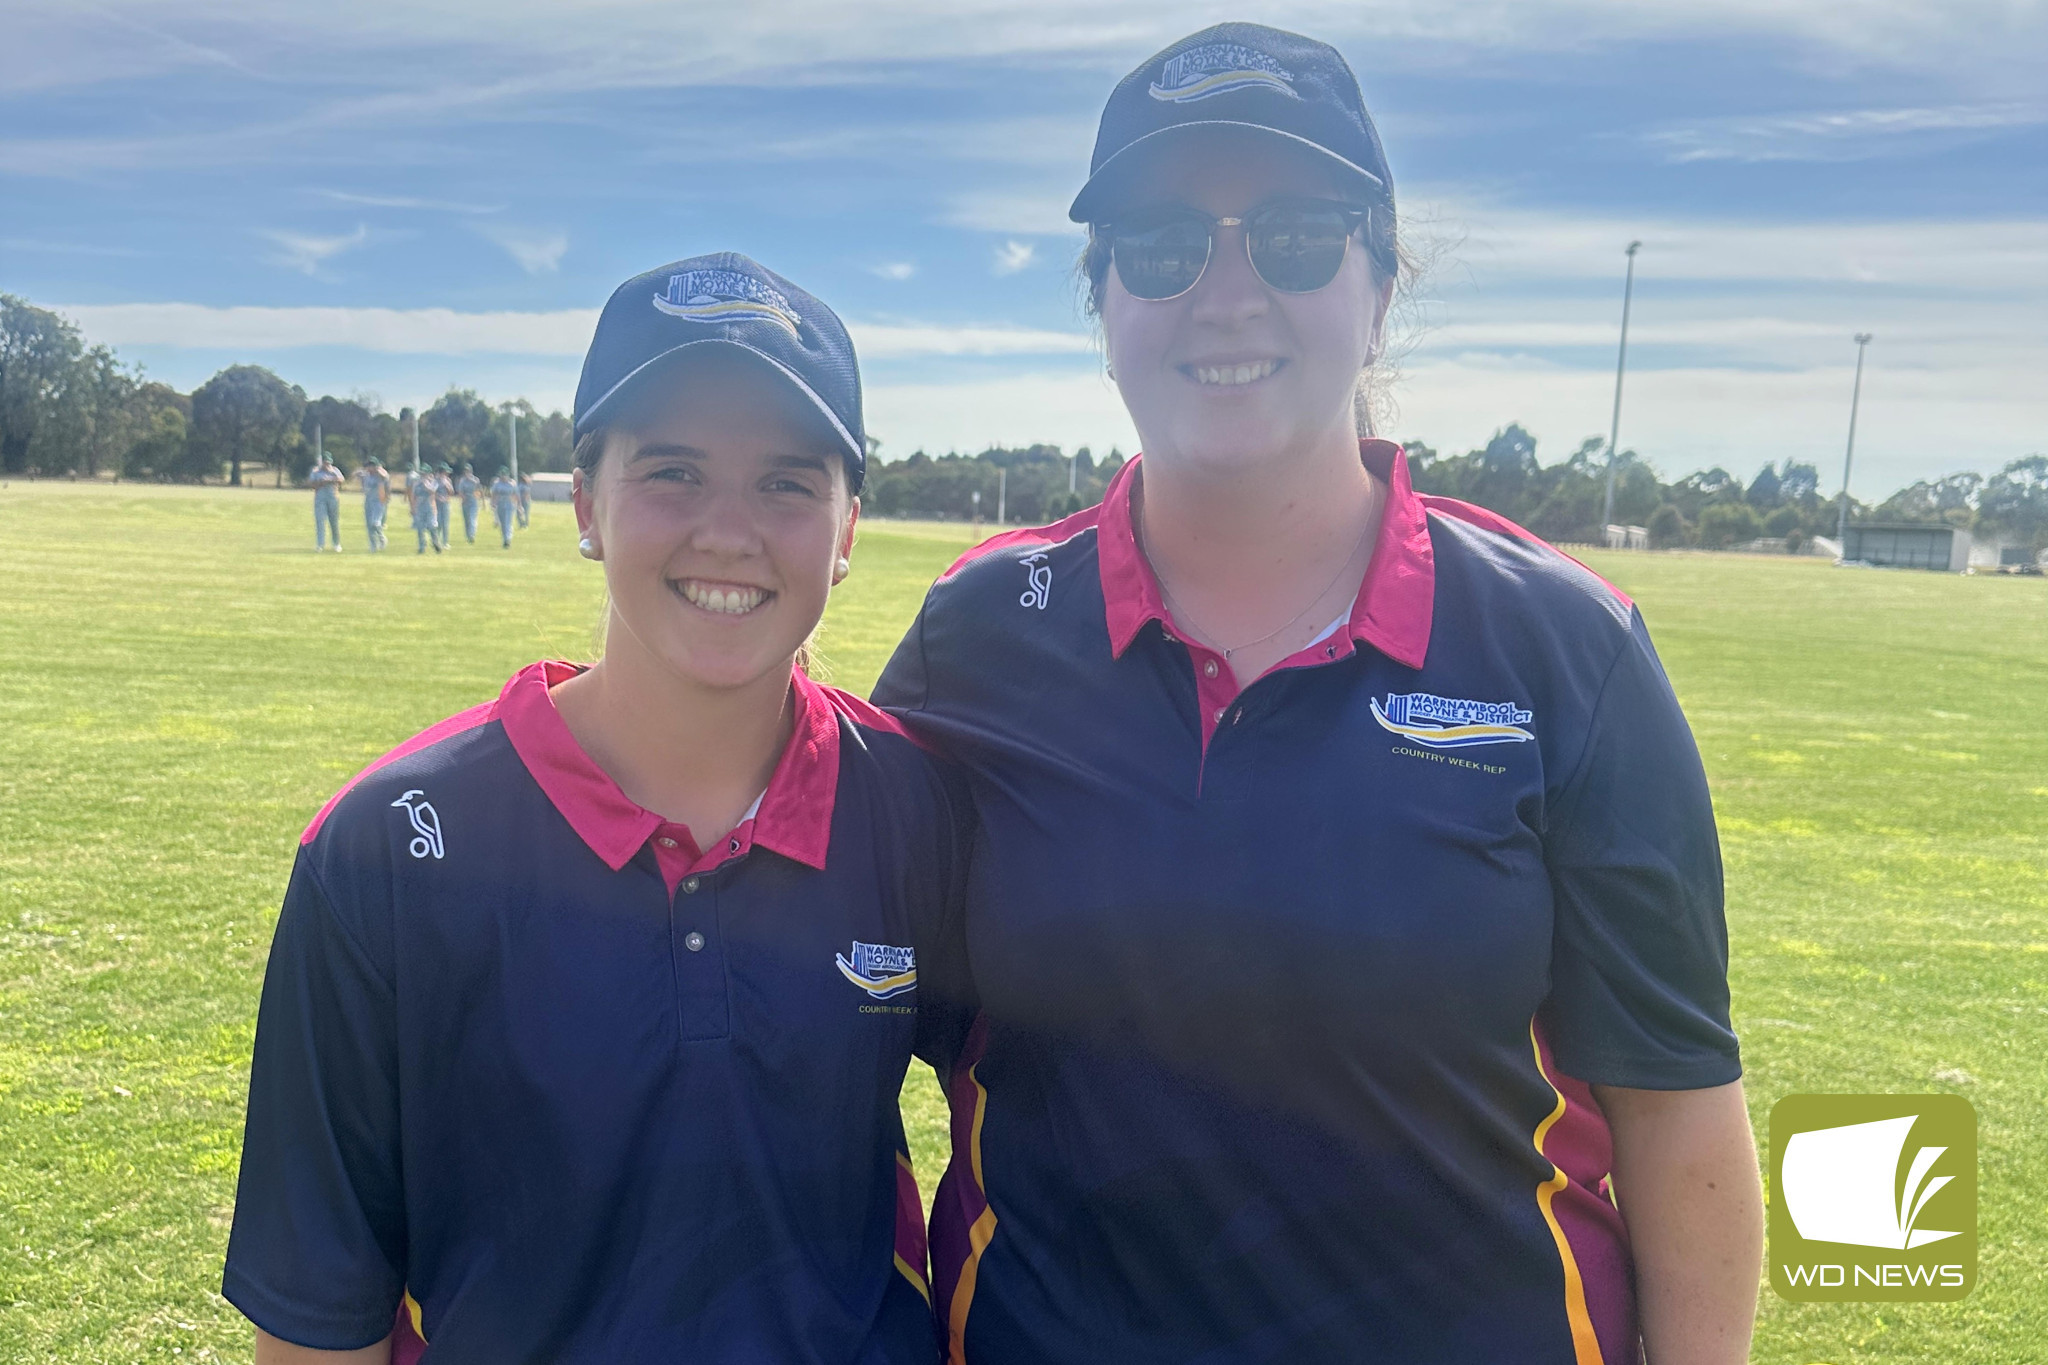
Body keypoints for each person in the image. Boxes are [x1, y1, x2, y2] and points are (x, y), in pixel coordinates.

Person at [875, 24, 1761, 1365]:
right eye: (1166, 245)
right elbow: (835, 1015)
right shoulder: (979, 636)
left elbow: (1679, 1111)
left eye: (1292, 234)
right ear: (1102, 296)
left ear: (1380, 284)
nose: (1226, 291)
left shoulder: (1565, 647)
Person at [224, 252, 967, 1365]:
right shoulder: (387, 848)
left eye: (786, 483)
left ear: (848, 528)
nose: (729, 531)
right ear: (585, 503)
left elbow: (1057, 1117)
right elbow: (314, 1319)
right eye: (672, 471)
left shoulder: (914, 803)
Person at [308, 454, 344, 552]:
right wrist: (321, 482)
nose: (326, 464)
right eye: (325, 462)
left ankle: (336, 544)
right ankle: (320, 544)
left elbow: (341, 480)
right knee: (320, 521)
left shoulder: (335, 470)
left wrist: (331, 477)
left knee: (334, 522)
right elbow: (311, 484)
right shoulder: (316, 471)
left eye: (328, 462)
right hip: (320, 498)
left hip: (333, 498)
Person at [405, 466, 440, 555]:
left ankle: (435, 542)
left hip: (430, 507)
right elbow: (413, 496)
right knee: (420, 529)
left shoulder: (434, 482)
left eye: (425, 474)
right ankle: (422, 547)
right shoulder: (417, 484)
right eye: (422, 474)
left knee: (432, 527)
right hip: (420, 507)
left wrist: (426, 484)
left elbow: (432, 491)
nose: (423, 476)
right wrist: (412, 508)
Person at [358, 457, 391, 552]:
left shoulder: (380, 476)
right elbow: (356, 474)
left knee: (375, 523)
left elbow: (385, 476)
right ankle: (373, 545)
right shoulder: (366, 475)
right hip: (368, 501)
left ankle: (382, 538)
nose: (369, 468)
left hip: (378, 501)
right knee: (369, 525)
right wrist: (363, 472)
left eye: (371, 466)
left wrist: (378, 469)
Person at [490, 469, 518, 548]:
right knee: (502, 523)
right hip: (500, 504)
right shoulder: (497, 484)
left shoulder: (512, 483)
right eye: (502, 475)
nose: (503, 477)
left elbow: (515, 495)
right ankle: (504, 538)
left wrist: (518, 505)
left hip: (509, 504)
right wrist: (493, 504)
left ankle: (507, 539)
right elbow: (494, 494)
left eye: (504, 475)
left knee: (508, 522)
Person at [457, 461, 482, 543]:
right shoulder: (462, 481)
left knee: (472, 519)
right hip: (465, 501)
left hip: (473, 500)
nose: (467, 473)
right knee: (467, 520)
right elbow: (460, 491)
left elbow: (479, 490)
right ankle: (468, 535)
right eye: (465, 471)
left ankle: (472, 535)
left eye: (468, 471)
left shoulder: (475, 480)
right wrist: (463, 498)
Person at [432, 464, 455, 551]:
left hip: (445, 504)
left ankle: (445, 542)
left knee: (445, 524)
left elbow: (451, 492)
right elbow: (432, 492)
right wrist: (438, 497)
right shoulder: (435, 481)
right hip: (436, 504)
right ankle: (436, 541)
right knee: (438, 523)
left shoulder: (447, 481)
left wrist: (447, 484)